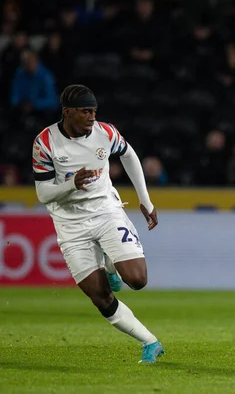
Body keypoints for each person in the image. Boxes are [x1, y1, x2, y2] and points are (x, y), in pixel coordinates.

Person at [32, 84, 164, 363]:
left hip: (106, 212)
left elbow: (128, 155)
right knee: (100, 296)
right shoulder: (45, 142)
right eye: (85, 112)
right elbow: (43, 193)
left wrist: (145, 200)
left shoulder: (106, 133)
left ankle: (111, 264)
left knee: (138, 280)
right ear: (67, 112)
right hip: (70, 226)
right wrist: (71, 184)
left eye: (94, 111)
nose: (92, 117)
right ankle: (150, 342)